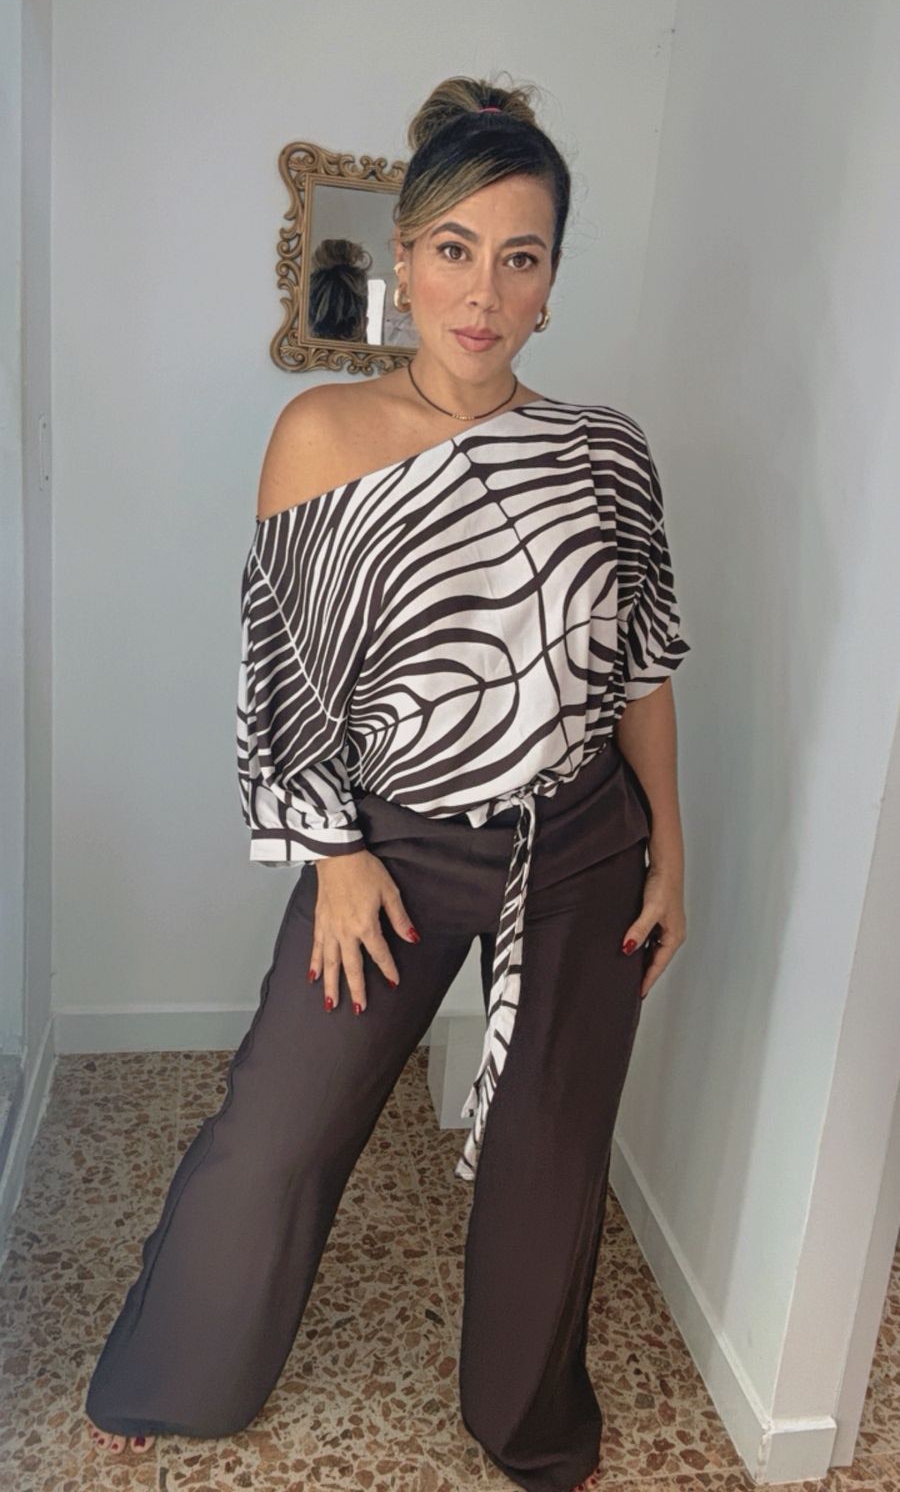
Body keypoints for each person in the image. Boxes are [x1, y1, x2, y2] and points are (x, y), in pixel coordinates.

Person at [85, 73, 691, 1492]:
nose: (485, 291)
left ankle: (527, 1426)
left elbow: (645, 670)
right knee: (278, 1126)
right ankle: (181, 1373)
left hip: (582, 847)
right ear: (406, 260)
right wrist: (338, 857)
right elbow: (283, 669)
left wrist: (674, 852)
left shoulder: (607, 453)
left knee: (552, 1156)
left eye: (522, 257)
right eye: (456, 250)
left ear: (553, 284)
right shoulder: (320, 433)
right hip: (391, 845)